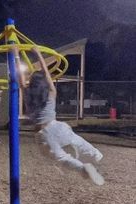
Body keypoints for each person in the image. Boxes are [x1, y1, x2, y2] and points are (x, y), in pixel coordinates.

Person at [12, 46, 104, 185]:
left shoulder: (27, 94)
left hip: (43, 133)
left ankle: (82, 168)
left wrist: (16, 55)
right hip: (58, 126)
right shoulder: (51, 92)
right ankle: (95, 155)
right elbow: (46, 74)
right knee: (76, 140)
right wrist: (37, 54)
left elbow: (20, 76)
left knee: (61, 157)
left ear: (30, 83)